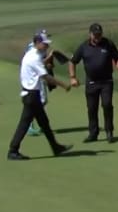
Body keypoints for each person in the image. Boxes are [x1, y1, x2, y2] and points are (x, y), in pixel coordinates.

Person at [7, 32, 74, 160]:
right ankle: (13, 150)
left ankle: (56, 147)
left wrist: (48, 59)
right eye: (44, 44)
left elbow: (41, 66)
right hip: (31, 95)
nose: (46, 46)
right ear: (37, 43)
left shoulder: (32, 53)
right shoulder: (34, 58)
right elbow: (46, 77)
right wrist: (64, 85)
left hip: (32, 94)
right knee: (24, 124)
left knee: (44, 122)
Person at [69, 23, 118, 144]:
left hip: (106, 81)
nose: (98, 37)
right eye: (95, 35)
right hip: (91, 82)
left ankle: (109, 132)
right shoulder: (84, 47)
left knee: (107, 105)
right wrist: (73, 77)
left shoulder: (108, 44)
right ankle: (93, 133)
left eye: (99, 34)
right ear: (90, 34)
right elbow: (73, 61)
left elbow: (117, 58)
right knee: (92, 108)